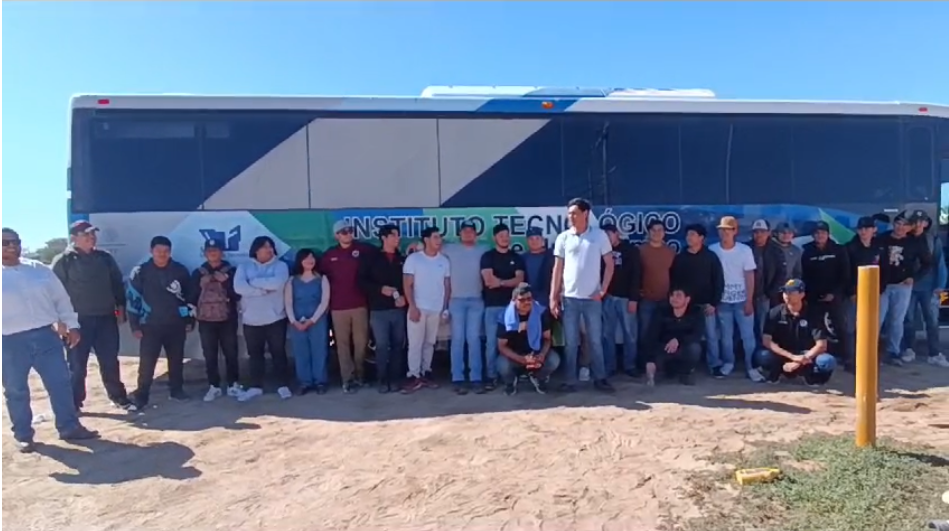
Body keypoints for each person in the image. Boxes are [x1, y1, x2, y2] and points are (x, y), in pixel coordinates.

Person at [2, 228, 99, 453]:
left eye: (14, 241)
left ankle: (69, 427)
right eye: (5, 242)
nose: (11, 246)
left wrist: (72, 324)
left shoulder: (38, 269)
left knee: (60, 384)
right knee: (16, 390)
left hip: (46, 337)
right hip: (10, 342)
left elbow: (61, 299)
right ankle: (24, 435)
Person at [51, 220, 133, 412]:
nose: (91, 237)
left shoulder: (105, 258)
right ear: (74, 238)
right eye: (86, 234)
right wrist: (60, 321)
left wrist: (120, 306)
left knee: (110, 360)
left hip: (106, 319)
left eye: (93, 234)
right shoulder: (64, 261)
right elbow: (53, 293)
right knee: (77, 365)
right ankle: (74, 403)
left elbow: (117, 283)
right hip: (77, 323)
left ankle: (118, 397)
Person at [551, 198, 615, 393]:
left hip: (591, 299)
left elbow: (610, 265)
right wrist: (553, 296)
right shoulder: (563, 237)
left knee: (595, 339)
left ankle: (600, 378)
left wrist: (602, 290)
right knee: (571, 342)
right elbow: (557, 268)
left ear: (586, 213)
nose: (571, 216)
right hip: (569, 299)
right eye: (569, 213)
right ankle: (570, 380)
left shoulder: (599, 236)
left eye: (574, 213)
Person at [127, 236, 196, 408]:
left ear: (170, 252)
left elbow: (187, 297)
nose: (162, 254)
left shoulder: (180, 271)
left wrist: (188, 319)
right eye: (158, 251)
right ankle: (142, 395)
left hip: (176, 324)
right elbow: (133, 299)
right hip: (150, 325)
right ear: (151, 251)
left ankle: (177, 391)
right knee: (147, 363)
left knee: (176, 360)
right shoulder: (140, 272)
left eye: (166, 251)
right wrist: (134, 325)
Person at [233, 236, 292, 401]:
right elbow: (238, 287)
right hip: (251, 320)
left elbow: (277, 283)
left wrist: (253, 282)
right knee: (255, 355)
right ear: (256, 249)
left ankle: (283, 385)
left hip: (275, 319)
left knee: (278, 353)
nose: (269, 249)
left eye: (271, 246)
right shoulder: (244, 267)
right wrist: (260, 291)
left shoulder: (281, 266)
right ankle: (255, 386)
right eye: (265, 247)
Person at [321, 220, 374, 392]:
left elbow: (383, 255)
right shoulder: (329, 255)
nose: (348, 233)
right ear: (336, 235)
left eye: (350, 230)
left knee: (361, 343)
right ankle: (347, 379)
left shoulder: (364, 250)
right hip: (338, 307)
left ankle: (360, 375)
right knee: (342, 345)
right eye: (343, 232)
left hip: (360, 305)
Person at [755, 279, 838, 386]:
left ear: (802, 294)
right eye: (785, 292)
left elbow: (821, 345)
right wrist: (792, 357)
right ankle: (776, 373)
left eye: (791, 292)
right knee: (762, 356)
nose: (786, 295)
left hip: (806, 354)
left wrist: (800, 361)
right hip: (783, 353)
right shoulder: (774, 312)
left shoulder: (813, 313)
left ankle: (814, 378)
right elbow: (767, 341)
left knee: (827, 361)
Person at [709, 216, 761, 381]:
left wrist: (749, 301)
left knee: (748, 336)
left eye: (728, 229)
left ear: (735, 231)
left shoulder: (744, 250)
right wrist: (714, 300)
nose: (724, 232)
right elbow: (711, 278)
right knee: (726, 337)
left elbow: (750, 276)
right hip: (722, 302)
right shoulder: (712, 250)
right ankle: (728, 363)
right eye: (721, 229)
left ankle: (751, 366)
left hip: (742, 301)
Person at [442, 220, 489, 394]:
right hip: (456, 300)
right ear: (459, 234)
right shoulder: (450, 248)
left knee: (474, 339)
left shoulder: (483, 249)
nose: (468, 233)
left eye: (471, 231)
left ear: (476, 234)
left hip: (477, 300)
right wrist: (416, 245)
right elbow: (430, 248)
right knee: (457, 340)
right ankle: (458, 378)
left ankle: (476, 377)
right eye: (465, 231)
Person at [670, 223, 724, 376]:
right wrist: (679, 303)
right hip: (686, 307)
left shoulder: (711, 257)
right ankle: (688, 366)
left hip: (706, 305)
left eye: (693, 235)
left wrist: (714, 303)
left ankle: (714, 365)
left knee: (711, 336)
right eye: (688, 235)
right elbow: (675, 282)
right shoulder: (680, 258)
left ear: (701, 238)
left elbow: (718, 281)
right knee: (687, 337)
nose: (689, 238)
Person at [402, 227, 451, 393]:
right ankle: (413, 375)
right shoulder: (414, 259)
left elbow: (447, 286)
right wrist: (412, 306)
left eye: (440, 237)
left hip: (436, 309)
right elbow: (407, 285)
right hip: (418, 308)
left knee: (430, 343)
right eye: (435, 237)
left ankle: (426, 372)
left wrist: (445, 308)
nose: (439, 240)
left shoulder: (444, 260)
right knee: (415, 343)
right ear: (426, 240)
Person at [877, 211, 930, 366]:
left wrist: (915, 277)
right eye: (898, 223)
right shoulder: (882, 238)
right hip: (882, 286)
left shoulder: (915, 242)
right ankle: (873, 351)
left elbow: (927, 263)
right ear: (894, 224)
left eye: (904, 225)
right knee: (877, 320)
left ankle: (893, 352)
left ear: (909, 227)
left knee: (896, 321)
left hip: (902, 286)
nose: (900, 227)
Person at [191, 239, 241, 402]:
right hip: (205, 320)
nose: (213, 253)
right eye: (210, 250)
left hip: (227, 318)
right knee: (209, 353)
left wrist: (225, 282)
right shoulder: (198, 272)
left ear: (222, 252)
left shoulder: (231, 271)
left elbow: (238, 295)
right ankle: (214, 386)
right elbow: (190, 297)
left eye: (216, 250)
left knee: (231, 352)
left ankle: (234, 384)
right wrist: (200, 285)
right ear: (205, 253)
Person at [360, 224, 409, 393]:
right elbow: (362, 281)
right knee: (381, 345)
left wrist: (404, 297)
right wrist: (380, 289)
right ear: (384, 238)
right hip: (378, 310)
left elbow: (409, 282)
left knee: (398, 345)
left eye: (398, 236)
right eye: (394, 235)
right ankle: (381, 379)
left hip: (398, 310)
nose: (398, 239)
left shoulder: (401, 259)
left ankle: (395, 379)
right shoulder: (372, 258)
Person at [800, 221, 852, 371]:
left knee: (841, 327)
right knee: (816, 329)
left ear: (828, 234)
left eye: (822, 232)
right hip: (814, 298)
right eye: (816, 233)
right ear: (812, 235)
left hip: (835, 297)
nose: (820, 235)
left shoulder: (839, 250)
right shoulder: (807, 250)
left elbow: (845, 275)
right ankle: (818, 359)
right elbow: (804, 275)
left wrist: (834, 293)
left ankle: (848, 359)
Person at [480, 223, 526, 390]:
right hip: (492, 307)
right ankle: (491, 376)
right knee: (491, 344)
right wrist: (508, 282)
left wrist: (500, 282)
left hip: (512, 308)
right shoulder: (488, 256)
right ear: (495, 238)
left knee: (513, 343)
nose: (504, 238)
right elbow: (488, 281)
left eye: (507, 235)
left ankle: (513, 375)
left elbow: (519, 280)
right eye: (501, 235)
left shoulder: (517, 257)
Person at [901, 210, 949, 367]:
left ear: (927, 223)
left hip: (929, 288)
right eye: (916, 221)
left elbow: (940, 263)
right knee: (908, 320)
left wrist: (940, 285)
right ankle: (908, 349)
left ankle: (934, 353)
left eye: (923, 221)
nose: (919, 224)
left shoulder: (932, 240)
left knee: (932, 320)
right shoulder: (904, 239)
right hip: (908, 287)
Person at [497, 283, 561, 396]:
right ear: (514, 300)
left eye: (529, 299)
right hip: (515, 355)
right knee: (502, 364)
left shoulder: (541, 313)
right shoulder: (505, 317)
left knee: (554, 360)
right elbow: (501, 345)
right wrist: (521, 359)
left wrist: (541, 355)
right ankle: (510, 382)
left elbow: (547, 338)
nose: (526, 302)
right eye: (522, 300)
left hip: (536, 352)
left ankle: (538, 378)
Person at [285, 249, 331, 395]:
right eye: (306, 258)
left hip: (317, 320)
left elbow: (324, 302)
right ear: (300, 261)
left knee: (319, 350)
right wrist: (294, 321)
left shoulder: (322, 278)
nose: (310, 261)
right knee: (301, 351)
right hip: (297, 321)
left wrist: (312, 320)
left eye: (312, 258)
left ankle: (320, 381)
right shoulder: (292, 280)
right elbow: (288, 302)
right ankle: (304, 382)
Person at [844, 216, 888, 367]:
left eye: (867, 228)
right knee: (851, 327)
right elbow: (846, 272)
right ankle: (851, 359)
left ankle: (872, 357)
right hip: (855, 294)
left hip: (875, 293)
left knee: (873, 325)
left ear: (874, 230)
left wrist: (880, 289)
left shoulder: (880, 247)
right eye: (861, 229)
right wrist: (851, 292)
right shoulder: (850, 247)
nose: (863, 231)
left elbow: (885, 269)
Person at [599, 223, 642, 377]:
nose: (606, 238)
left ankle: (630, 366)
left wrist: (634, 299)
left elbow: (636, 275)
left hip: (626, 298)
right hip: (607, 298)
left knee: (630, 333)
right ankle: (609, 366)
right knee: (606, 334)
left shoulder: (630, 250)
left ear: (616, 233)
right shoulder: (601, 251)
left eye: (609, 234)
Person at [641, 287, 704, 386]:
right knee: (655, 360)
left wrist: (678, 340)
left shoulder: (696, 312)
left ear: (687, 299)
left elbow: (697, 334)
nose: (674, 298)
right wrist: (650, 359)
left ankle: (686, 373)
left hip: (684, 347)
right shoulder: (661, 311)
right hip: (664, 347)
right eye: (672, 295)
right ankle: (667, 370)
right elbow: (652, 334)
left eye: (678, 295)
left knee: (694, 348)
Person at [747, 219, 788, 340]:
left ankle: (763, 355)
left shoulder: (776, 250)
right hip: (747, 296)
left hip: (766, 296)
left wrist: (771, 293)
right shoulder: (746, 248)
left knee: (763, 327)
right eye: (756, 232)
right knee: (746, 328)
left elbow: (782, 273)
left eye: (762, 231)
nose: (759, 235)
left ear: (768, 233)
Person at [637, 219, 676, 335]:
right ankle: (644, 354)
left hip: (666, 300)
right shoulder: (640, 251)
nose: (656, 233)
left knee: (664, 333)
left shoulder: (671, 252)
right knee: (645, 332)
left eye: (660, 230)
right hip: (646, 300)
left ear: (664, 233)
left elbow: (676, 275)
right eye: (653, 230)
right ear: (648, 232)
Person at [520, 227, 555, 307]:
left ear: (542, 240)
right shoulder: (522, 258)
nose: (534, 241)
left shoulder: (551, 257)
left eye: (537, 238)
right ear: (527, 241)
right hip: (529, 301)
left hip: (549, 300)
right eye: (531, 239)